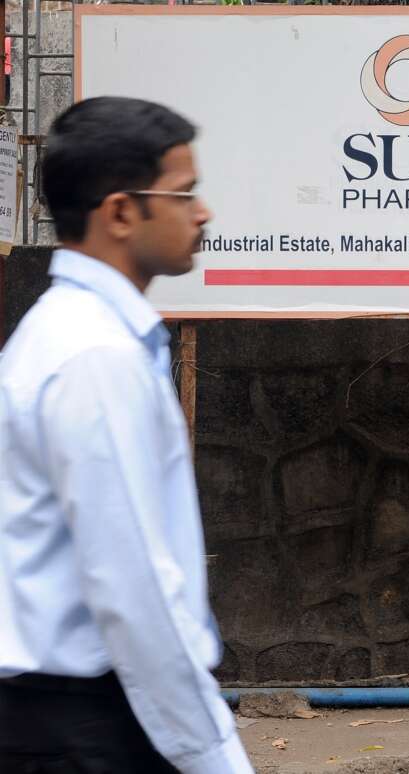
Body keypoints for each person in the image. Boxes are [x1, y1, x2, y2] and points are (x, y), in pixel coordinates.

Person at [0, 97, 252, 773]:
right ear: (119, 213)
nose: (202, 212)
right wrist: (215, 758)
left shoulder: (69, 334)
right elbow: (135, 590)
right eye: (183, 194)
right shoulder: (95, 357)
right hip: (88, 726)